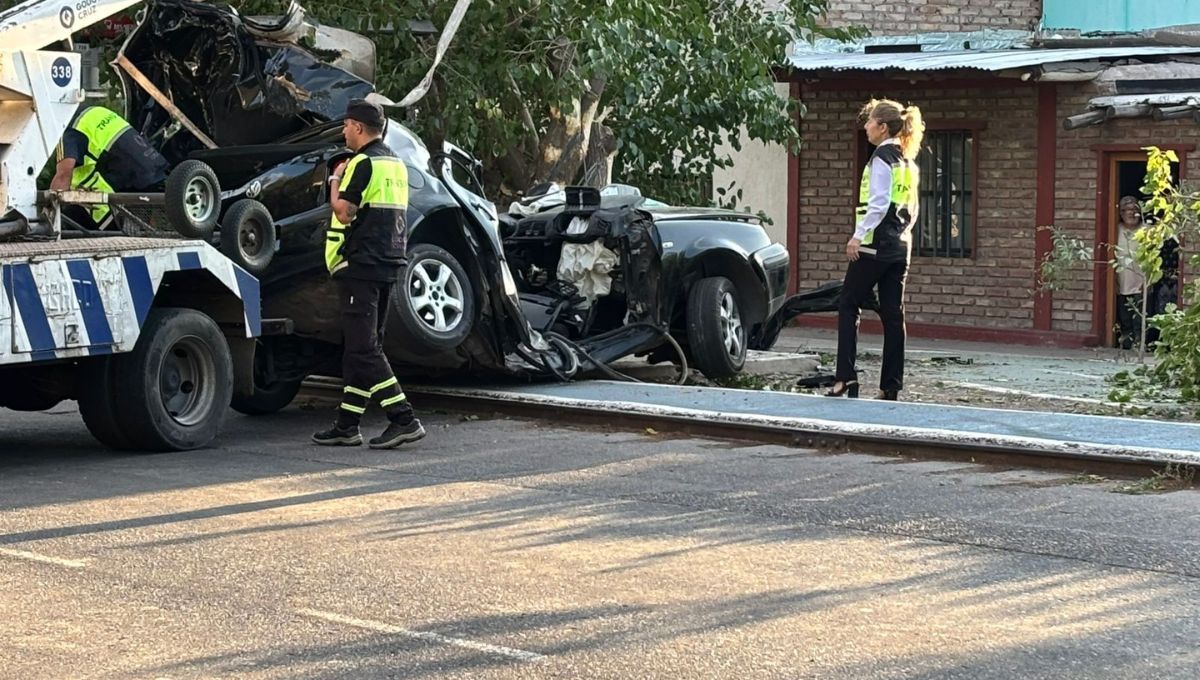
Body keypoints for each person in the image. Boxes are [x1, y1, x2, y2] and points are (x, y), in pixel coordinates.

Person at [312, 98, 426, 449]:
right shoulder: (395, 163)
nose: (343, 130)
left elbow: (344, 212)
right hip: (388, 262)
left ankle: (403, 418)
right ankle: (348, 425)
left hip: (360, 265)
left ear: (359, 128)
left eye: (346, 125)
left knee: (364, 348)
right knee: (360, 348)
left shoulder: (361, 162)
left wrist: (335, 179)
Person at [828, 99, 923, 401]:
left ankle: (845, 378)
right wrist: (903, 235)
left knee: (847, 303)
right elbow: (914, 207)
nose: (866, 126)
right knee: (894, 315)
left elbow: (879, 203)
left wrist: (857, 236)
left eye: (869, 121)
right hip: (901, 246)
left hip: (874, 246)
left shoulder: (881, 157)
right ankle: (890, 387)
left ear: (882, 127)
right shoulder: (907, 160)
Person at [49, 105, 170, 227]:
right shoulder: (94, 111)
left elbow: (63, 176)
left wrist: (48, 216)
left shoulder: (68, 130)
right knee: (143, 228)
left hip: (119, 190)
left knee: (68, 219)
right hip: (151, 169)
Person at [1113, 196, 1148, 350]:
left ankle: (1140, 347)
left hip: (1142, 283)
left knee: (1140, 321)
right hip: (1121, 283)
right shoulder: (1115, 230)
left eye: (1135, 210)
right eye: (1127, 210)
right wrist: (1112, 281)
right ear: (1121, 213)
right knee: (1125, 320)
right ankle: (1127, 349)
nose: (1132, 213)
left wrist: (1149, 281)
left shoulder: (1147, 230)